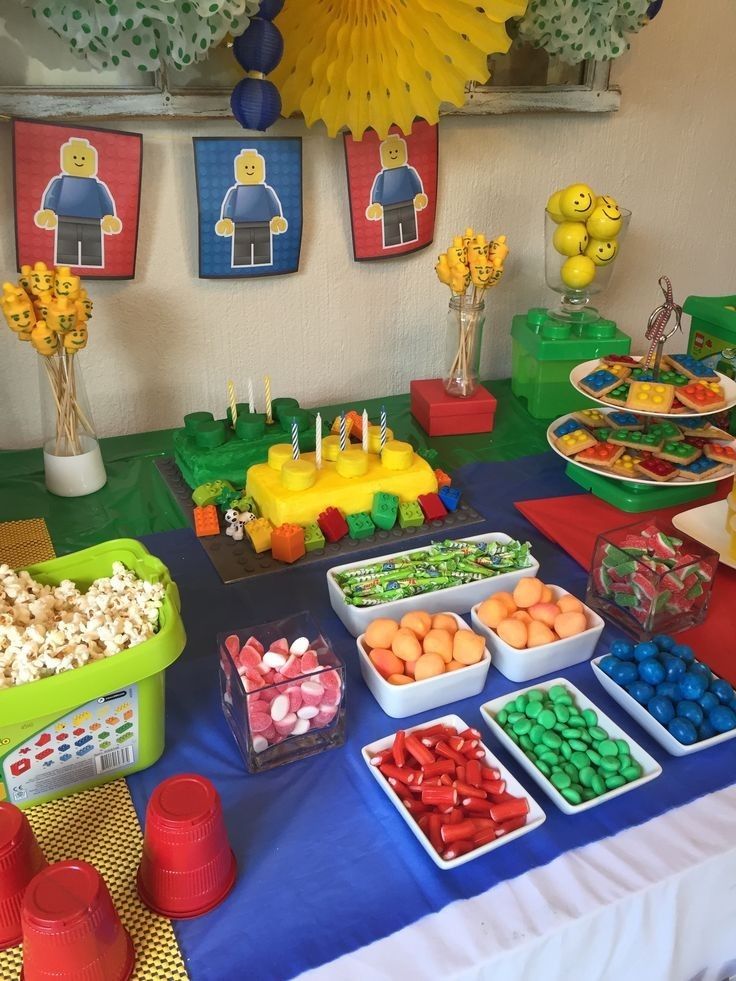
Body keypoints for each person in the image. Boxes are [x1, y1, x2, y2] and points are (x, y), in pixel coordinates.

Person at [35, 138, 121, 268]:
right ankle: (65, 270)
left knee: (93, 250)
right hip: (65, 220)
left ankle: (91, 264)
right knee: (65, 249)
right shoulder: (60, 182)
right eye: (75, 157)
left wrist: (109, 216)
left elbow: (105, 201)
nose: (79, 161)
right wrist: (48, 211)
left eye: (83, 158)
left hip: (93, 223)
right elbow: (52, 196)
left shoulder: (97, 186)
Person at [215, 149, 287, 267]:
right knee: (241, 252)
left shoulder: (266, 191)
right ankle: (241, 264)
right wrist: (226, 219)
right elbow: (229, 205)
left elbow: (273, 204)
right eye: (246, 167)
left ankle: (263, 264)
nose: (249, 170)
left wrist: (276, 218)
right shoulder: (235, 192)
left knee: (263, 251)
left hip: (263, 225)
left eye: (253, 167)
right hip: (241, 226)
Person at [365, 134, 428, 248]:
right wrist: (376, 204)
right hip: (388, 209)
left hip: (407, 205)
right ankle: (393, 243)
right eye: (390, 152)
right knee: (390, 232)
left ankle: (409, 241)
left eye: (396, 151)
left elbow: (416, 184)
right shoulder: (382, 177)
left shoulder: (409, 172)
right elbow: (377, 191)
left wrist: (419, 196)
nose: (394, 154)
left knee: (410, 230)